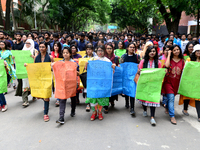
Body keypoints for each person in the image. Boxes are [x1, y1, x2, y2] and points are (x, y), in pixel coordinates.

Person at [85, 45, 116, 121]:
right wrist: (86, 65)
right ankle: (94, 112)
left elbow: (111, 73)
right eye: (98, 50)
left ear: (104, 51)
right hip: (94, 83)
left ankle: (100, 112)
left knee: (101, 98)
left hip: (103, 83)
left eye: (102, 50)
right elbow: (87, 70)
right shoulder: (92, 59)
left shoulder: (107, 61)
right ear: (96, 51)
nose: (100, 52)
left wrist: (113, 67)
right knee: (93, 98)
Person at [52, 47, 79, 124]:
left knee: (73, 97)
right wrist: (52, 65)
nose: (65, 54)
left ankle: (73, 110)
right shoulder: (60, 62)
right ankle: (61, 117)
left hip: (72, 84)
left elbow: (78, 72)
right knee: (62, 99)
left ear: (70, 54)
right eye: (64, 53)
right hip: (63, 84)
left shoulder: (74, 62)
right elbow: (55, 69)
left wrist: (76, 72)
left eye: (67, 52)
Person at [137, 46, 162, 126]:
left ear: (156, 53)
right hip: (144, 82)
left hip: (154, 84)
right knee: (144, 98)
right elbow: (139, 71)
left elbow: (159, 72)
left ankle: (152, 117)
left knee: (152, 99)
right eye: (150, 51)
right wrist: (139, 71)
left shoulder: (158, 62)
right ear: (147, 52)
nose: (152, 52)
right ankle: (144, 110)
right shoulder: (143, 61)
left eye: (154, 51)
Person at [162, 45, 184, 125]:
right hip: (168, 82)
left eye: (177, 49)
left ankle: (167, 106)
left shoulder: (182, 61)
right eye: (174, 50)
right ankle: (172, 116)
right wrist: (168, 55)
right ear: (172, 52)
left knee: (170, 98)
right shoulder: (170, 60)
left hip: (176, 83)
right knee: (171, 98)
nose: (176, 51)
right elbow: (167, 66)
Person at [179, 44, 200, 122]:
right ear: (194, 52)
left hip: (198, 82)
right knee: (187, 95)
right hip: (189, 81)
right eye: (197, 51)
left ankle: (199, 116)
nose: (199, 52)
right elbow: (185, 70)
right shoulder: (189, 60)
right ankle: (185, 109)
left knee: (198, 97)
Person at [34, 41, 54, 122]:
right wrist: (27, 65)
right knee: (40, 96)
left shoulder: (50, 57)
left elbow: (53, 69)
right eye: (40, 47)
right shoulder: (36, 58)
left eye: (43, 47)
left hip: (47, 78)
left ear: (46, 48)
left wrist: (52, 66)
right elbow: (34, 68)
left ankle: (45, 114)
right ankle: (46, 106)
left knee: (46, 96)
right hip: (39, 78)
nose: (41, 48)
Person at [121, 43, 140, 116]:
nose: (132, 48)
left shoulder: (137, 57)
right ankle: (127, 102)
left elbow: (140, 65)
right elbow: (121, 65)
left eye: (133, 47)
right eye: (131, 47)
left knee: (132, 91)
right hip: (126, 76)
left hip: (133, 76)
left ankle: (132, 108)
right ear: (127, 48)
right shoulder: (123, 56)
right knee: (126, 89)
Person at [21, 39, 37, 107]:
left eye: (29, 43)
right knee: (25, 84)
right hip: (24, 70)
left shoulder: (34, 50)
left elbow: (37, 60)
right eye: (26, 43)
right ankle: (25, 100)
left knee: (32, 83)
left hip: (32, 70)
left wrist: (34, 57)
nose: (27, 44)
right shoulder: (22, 51)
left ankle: (34, 95)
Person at [104, 43, 119, 113]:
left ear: (112, 49)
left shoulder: (115, 57)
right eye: (107, 48)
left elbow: (118, 65)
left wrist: (116, 66)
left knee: (112, 89)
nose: (109, 50)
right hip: (105, 77)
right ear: (105, 49)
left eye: (110, 48)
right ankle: (106, 106)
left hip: (113, 76)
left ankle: (112, 100)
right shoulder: (103, 57)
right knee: (106, 90)